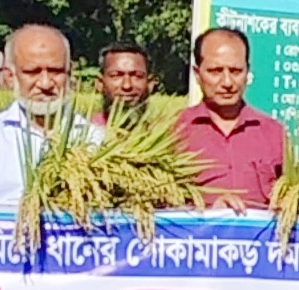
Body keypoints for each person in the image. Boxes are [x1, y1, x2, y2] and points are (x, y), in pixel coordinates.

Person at [0, 25, 100, 205]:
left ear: (69, 73)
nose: (46, 83)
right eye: (32, 72)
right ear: (10, 76)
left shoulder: (95, 140)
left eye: (55, 71)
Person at [176, 28, 286, 210]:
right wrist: (209, 212)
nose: (227, 82)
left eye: (235, 71)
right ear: (197, 74)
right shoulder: (174, 132)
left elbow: (292, 199)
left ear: (247, 72)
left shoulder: (274, 133)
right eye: (215, 71)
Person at [94, 42, 155, 126]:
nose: (127, 86)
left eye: (137, 76)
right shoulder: (82, 134)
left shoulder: (168, 135)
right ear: (99, 83)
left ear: (150, 83)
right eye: (116, 75)